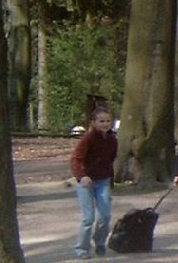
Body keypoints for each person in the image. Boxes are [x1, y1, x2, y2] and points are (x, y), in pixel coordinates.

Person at [70, 103, 118, 259]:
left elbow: (110, 160)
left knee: (105, 216)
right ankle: (82, 248)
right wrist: (81, 176)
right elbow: (75, 159)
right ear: (94, 123)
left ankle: (100, 242)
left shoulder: (112, 140)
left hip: (103, 181)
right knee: (88, 218)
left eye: (107, 121)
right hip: (86, 182)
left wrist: (110, 180)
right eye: (101, 121)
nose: (105, 124)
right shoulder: (88, 139)